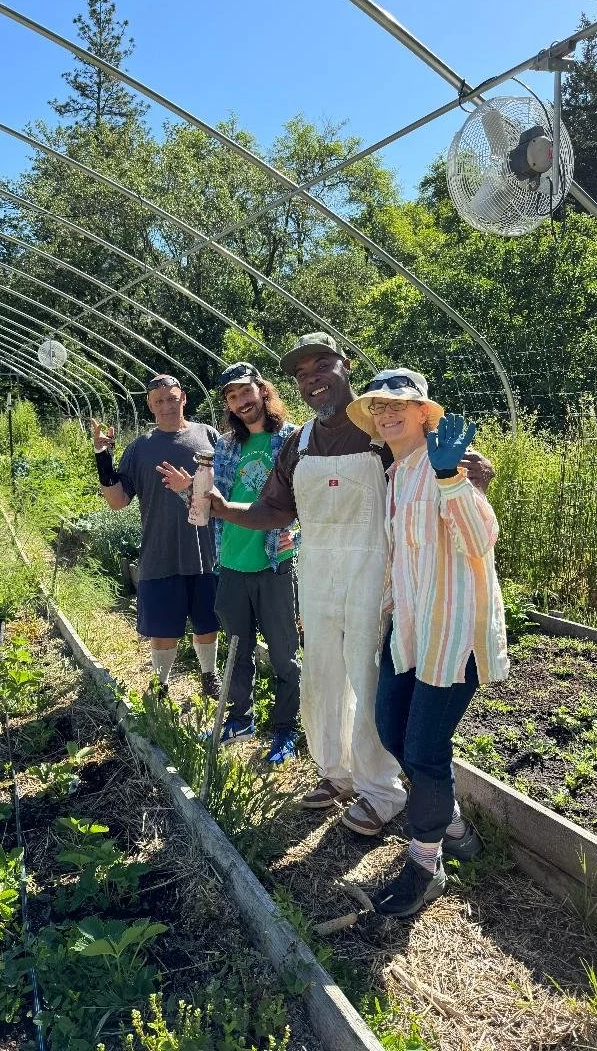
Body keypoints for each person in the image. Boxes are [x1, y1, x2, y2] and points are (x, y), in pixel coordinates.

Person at [206, 332, 495, 838]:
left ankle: (381, 790)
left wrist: (475, 474)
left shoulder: (381, 431)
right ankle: (335, 772)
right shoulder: (298, 443)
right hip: (315, 571)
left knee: (369, 676)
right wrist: (222, 508)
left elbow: (451, 474)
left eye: (322, 366)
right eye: (301, 374)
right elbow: (277, 510)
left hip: (375, 573)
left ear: (346, 367)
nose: (312, 379)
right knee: (322, 671)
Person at [347, 369, 508, 916]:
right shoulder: (395, 472)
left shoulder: (451, 460)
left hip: (453, 630)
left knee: (424, 749)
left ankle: (425, 862)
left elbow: (480, 539)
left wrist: (451, 479)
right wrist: (388, 609)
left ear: (423, 413)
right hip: (410, 628)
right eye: (378, 409)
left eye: (400, 406)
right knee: (392, 729)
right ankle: (452, 822)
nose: (387, 415)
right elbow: (405, 554)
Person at [157, 362, 301, 766]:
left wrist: (299, 535)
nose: (241, 402)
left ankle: (285, 730)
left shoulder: (291, 440)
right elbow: (211, 504)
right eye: (232, 397)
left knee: (284, 654)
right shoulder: (226, 445)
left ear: (263, 390)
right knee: (238, 650)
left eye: (245, 392)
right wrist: (190, 490)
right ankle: (240, 719)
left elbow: (309, 499)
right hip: (232, 564)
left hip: (274, 563)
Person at [91, 374, 221, 699]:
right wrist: (102, 458)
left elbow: (229, 486)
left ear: (184, 398)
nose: (166, 405)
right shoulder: (140, 449)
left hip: (206, 551)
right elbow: (118, 501)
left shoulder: (208, 436)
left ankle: (209, 675)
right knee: (163, 631)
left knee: (208, 625)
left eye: (171, 398)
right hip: (160, 552)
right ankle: (161, 683)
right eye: (158, 401)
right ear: (149, 405)